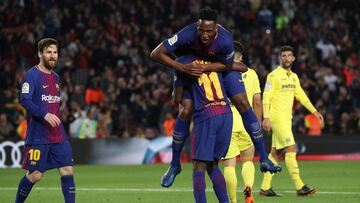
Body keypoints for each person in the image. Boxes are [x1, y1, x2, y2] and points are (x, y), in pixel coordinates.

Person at [150, 7, 281, 188]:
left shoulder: (226, 40)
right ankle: (174, 165)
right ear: (197, 27)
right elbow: (155, 53)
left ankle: (264, 157)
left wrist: (208, 67)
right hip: (187, 63)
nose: (204, 35)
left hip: (217, 66)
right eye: (202, 30)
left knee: (243, 102)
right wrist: (183, 68)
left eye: (209, 32)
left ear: (216, 30)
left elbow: (225, 65)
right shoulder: (187, 34)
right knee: (185, 109)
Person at [15, 38, 75, 203]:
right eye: (48, 52)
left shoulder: (56, 78)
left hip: (58, 135)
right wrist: (45, 115)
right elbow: (25, 100)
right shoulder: (31, 75)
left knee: (67, 170)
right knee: (35, 175)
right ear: (40, 54)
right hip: (38, 135)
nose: (52, 55)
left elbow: (54, 103)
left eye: (55, 52)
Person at [260, 45, 324, 196]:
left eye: (289, 55)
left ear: (293, 58)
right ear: (280, 58)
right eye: (284, 56)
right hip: (277, 118)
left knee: (275, 154)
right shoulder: (273, 76)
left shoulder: (294, 77)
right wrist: (266, 117)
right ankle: (300, 186)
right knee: (291, 148)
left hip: (286, 119)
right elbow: (266, 97)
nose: (287, 58)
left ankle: (265, 188)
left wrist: (315, 111)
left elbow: (301, 96)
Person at [177, 54, 232, 203]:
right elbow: (238, 66)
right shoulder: (214, 59)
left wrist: (178, 79)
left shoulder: (185, 62)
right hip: (226, 112)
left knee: (198, 167)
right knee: (213, 165)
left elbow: (177, 99)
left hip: (207, 114)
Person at [223, 41, 260, 203]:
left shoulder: (221, 73)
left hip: (227, 124)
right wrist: (256, 125)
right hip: (247, 123)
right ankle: (248, 187)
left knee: (229, 165)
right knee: (247, 161)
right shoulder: (251, 74)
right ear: (242, 57)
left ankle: (233, 201)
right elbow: (257, 102)